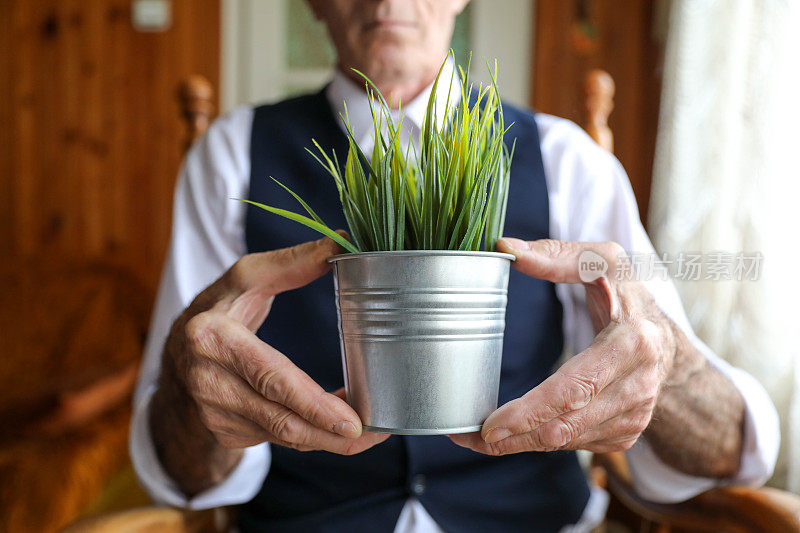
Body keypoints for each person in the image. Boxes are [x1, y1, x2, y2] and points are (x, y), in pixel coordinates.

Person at [130, 1, 779, 531]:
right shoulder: (231, 157)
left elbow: (728, 448)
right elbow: (182, 468)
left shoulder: (566, 159)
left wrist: (667, 364)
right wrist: (191, 389)